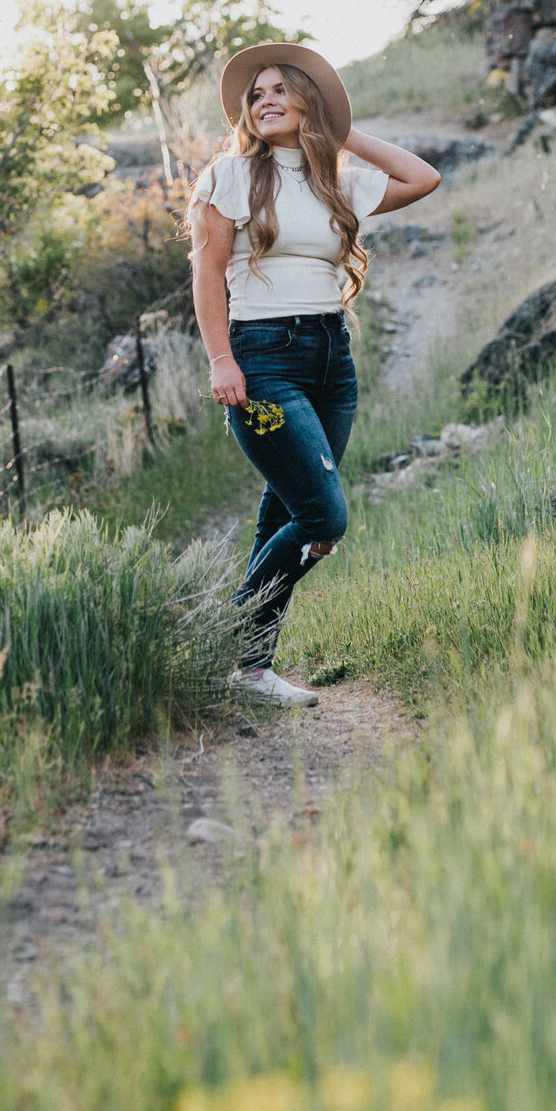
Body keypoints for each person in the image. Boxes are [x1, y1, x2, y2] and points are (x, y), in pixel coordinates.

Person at [187, 43, 441, 707]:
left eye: (280, 90)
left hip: (333, 360)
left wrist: (343, 131)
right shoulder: (231, 175)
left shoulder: (340, 180)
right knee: (324, 517)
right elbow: (207, 272)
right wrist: (222, 358)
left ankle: (247, 672)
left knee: (288, 507)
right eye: (256, 94)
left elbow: (423, 177)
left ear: (307, 103)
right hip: (263, 356)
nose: (265, 99)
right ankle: (225, 643)